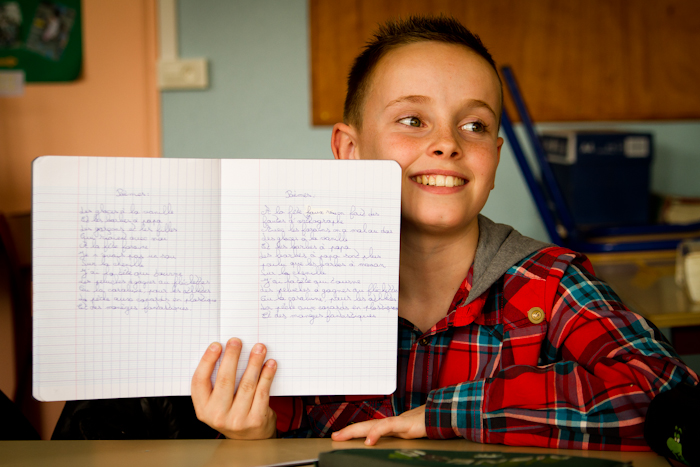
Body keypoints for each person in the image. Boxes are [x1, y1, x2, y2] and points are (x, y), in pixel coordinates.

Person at [190, 15, 699, 449]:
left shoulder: (550, 281)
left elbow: (666, 392)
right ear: (350, 150)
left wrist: (451, 415)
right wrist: (253, 439)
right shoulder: (285, 289)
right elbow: (271, 430)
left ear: (494, 161)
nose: (446, 144)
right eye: (413, 119)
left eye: (473, 126)